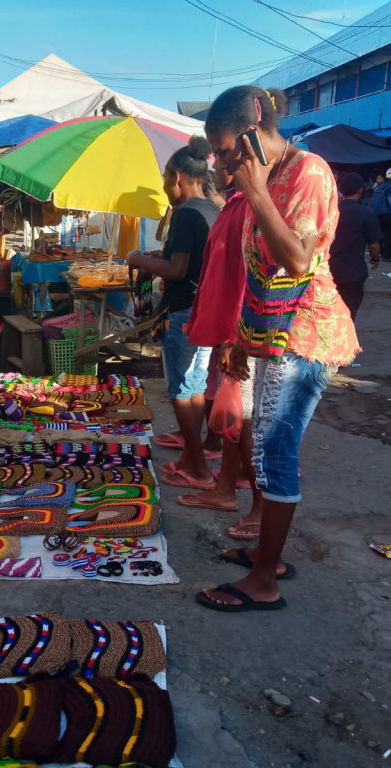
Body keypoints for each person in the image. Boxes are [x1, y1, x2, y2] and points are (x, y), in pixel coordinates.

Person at [196, 85, 359, 612]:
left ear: (254, 124)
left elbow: (295, 263)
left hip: (306, 333)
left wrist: (258, 192)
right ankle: (272, 560)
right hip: (272, 337)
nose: (221, 163)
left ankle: (264, 581)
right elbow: (258, 274)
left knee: (274, 455)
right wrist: (242, 341)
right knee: (263, 451)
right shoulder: (264, 179)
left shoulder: (307, 172)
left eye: (225, 150)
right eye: (217, 154)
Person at [127, 137, 220, 489]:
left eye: (166, 180)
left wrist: (139, 260)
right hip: (205, 309)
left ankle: (198, 468)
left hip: (183, 311)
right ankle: (191, 457)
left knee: (180, 391)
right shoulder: (211, 209)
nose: (165, 188)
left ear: (177, 177)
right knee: (195, 386)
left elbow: (178, 270)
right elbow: (192, 259)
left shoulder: (185, 214)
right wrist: (159, 255)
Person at [177, 167, 263, 534]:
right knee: (234, 418)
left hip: (245, 332)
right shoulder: (235, 202)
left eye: (228, 154)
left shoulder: (254, 205)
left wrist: (233, 338)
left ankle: (261, 504)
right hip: (231, 330)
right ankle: (224, 488)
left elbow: (250, 276)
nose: (221, 166)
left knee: (245, 423)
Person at [331, 172, 382, 321]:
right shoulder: (366, 213)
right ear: (360, 191)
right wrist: (375, 259)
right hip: (353, 273)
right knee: (348, 312)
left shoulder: (332, 210)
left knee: (326, 312)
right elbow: (374, 245)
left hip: (328, 270)